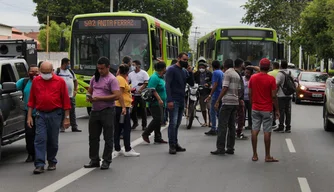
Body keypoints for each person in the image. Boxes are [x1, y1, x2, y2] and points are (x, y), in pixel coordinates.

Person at [27, 61, 71, 174]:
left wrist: (67, 118)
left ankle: (51, 160)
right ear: (40, 71)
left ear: (52, 71)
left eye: (48, 72)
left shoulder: (60, 81)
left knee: (52, 140)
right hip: (40, 114)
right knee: (40, 139)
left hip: (55, 114)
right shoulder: (36, 81)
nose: (45, 74)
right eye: (43, 72)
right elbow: (32, 100)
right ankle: (39, 164)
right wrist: (29, 116)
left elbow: (66, 101)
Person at [84, 57, 121, 170]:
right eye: (98, 68)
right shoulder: (94, 78)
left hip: (107, 111)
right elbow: (89, 91)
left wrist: (99, 98)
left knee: (108, 137)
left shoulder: (112, 79)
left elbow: (117, 95)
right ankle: (94, 159)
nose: (100, 70)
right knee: (93, 137)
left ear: (108, 67)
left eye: (102, 68)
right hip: (95, 111)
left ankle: (106, 160)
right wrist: (88, 97)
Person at [248, 58, 280, 162]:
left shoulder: (253, 78)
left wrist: (252, 102)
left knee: (254, 130)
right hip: (267, 109)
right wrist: (277, 110)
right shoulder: (271, 79)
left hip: (255, 108)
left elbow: (249, 93)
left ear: (260, 66)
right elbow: (274, 96)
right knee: (267, 132)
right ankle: (267, 156)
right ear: (269, 67)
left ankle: (254, 155)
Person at [165, 52, 194, 154]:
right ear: (178, 59)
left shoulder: (184, 71)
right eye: (184, 60)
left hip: (182, 99)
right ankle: (171, 145)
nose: (185, 62)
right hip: (174, 99)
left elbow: (191, 83)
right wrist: (169, 100)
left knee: (177, 123)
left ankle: (175, 143)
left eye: (187, 60)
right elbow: (167, 85)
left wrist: (190, 72)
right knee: (172, 123)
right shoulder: (171, 70)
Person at [211, 59, 240, 155]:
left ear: (225, 65)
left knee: (222, 125)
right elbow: (239, 90)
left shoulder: (227, 73)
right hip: (235, 102)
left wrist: (218, 100)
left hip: (227, 102)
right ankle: (230, 147)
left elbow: (225, 87)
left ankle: (220, 148)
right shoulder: (236, 74)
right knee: (231, 126)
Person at [114, 64, 140, 157]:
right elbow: (119, 94)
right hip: (122, 107)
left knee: (118, 128)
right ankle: (127, 148)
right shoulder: (120, 79)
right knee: (126, 128)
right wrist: (124, 107)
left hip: (120, 106)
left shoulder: (120, 78)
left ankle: (117, 148)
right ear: (127, 72)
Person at [16, 64, 39, 163]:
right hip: (29, 113)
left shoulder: (43, 82)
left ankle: (40, 154)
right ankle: (31, 154)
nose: (34, 73)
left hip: (41, 113)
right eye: (32, 71)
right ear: (27, 72)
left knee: (41, 135)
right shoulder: (24, 82)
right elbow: (13, 87)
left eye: (36, 71)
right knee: (29, 135)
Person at [142, 61, 168, 144]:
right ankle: (146, 133)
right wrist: (159, 99)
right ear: (162, 69)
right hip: (155, 103)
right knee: (157, 119)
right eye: (165, 68)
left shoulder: (161, 77)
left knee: (159, 120)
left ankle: (158, 137)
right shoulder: (154, 77)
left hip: (161, 102)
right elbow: (152, 89)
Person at [56, 58, 81, 132]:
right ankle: (61, 126)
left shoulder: (70, 72)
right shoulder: (57, 72)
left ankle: (74, 126)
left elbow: (75, 81)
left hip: (70, 95)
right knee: (61, 111)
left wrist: (75, 90)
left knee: (72, 111)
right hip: (61, 96)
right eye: (68, 63)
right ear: (64, 63)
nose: (69, 65)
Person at [128, 60, 149, 130]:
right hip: (134, 95)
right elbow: (128, 82)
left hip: (142, 94)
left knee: (143, 110)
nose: (132, 66)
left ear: (138, 66)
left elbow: (146, 82)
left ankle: (144, 125)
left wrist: (141, 89)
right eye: (132, 65)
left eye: (133, 65)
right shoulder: (130, 74)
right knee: (133, 110)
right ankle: (135, 123)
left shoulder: (144, 73)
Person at [204, 60, 223, 136]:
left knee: (212, 111)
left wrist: (210, 95)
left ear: (212, 66)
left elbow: (215, 84)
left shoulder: (215, 73)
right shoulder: (221, 72)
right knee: (218, 112)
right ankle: (219, 128)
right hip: (221, 94)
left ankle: (213, 128)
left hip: (216, 94)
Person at [274, 60, 292, 133]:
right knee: (288, 111)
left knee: (281, 111)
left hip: (281, 95)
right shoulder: (290, 73)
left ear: (281, 66)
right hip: (289, 95)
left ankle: (281, 126)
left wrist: (275, 93)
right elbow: (294, 82)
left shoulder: (280, 74)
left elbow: (276, 83)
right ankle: (288, 127)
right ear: (287, 65)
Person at [194, 58, 212, 127]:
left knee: (209, 107)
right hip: (200, 93)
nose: (201, 68)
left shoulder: (209, 74)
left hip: (208, 93)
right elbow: (193, 81)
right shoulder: (196, 74)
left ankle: (210, 122)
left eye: (203, 67)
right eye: (200, 67)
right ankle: (205, 122)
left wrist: (208, 84)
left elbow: (213, 81)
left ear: (205, 67)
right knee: (203, 108)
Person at [234, 58, 248, 140]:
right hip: (238, 99)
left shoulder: (238, 73)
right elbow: (238, 87)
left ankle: (237, 131)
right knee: (240, 116)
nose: (244, 66)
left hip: (237, 98)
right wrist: (240, 98)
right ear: (240, 64)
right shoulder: (237, 74)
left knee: (238, 116)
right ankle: (238, 132)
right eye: (243, 64)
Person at [268, 62, 280, 128]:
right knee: (279, 109)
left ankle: (273, 122)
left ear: (273, 66)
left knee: (272, 108)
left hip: (271, 93)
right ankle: (281, 123)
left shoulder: (270, 73)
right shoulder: (281, 73)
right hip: (281, 94)